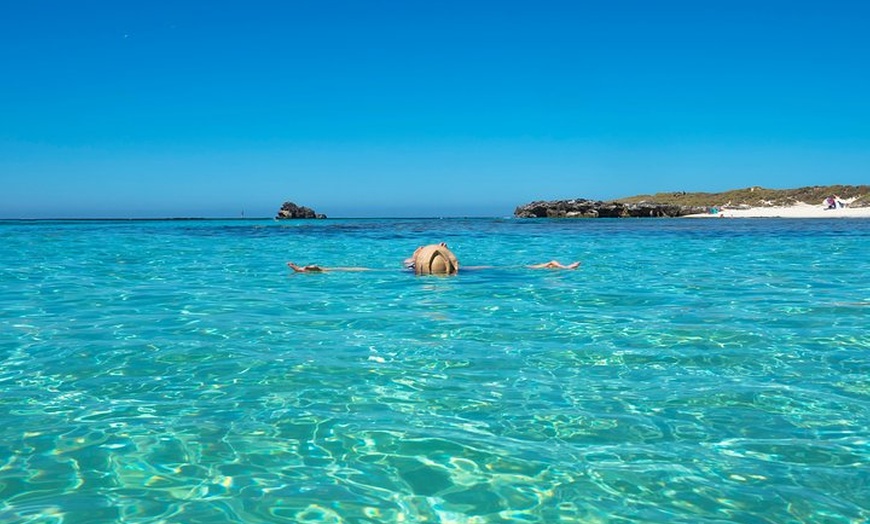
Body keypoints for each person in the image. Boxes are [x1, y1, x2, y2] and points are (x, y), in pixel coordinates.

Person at [288, 242, 580, 274]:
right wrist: (547, 265)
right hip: (454, 272)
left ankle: (552, 266)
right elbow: (509, 267)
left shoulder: (404, 271)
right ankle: (553, 266)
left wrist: (323, 269)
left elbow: (359, 269)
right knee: (501, 269)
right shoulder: (464, 270)